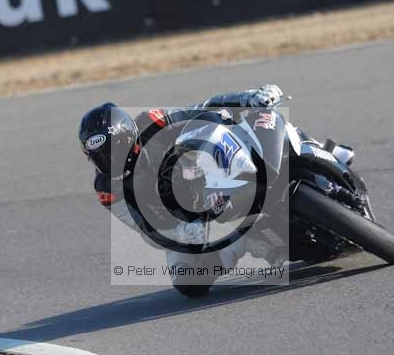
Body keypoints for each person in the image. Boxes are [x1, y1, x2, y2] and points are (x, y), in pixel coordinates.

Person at [78, 85, 352, 295]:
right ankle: (265, 242)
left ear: (129, 135)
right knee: (187, 282)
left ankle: (319, 151)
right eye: (99, 157)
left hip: (209, 168)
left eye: (113, 149)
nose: (108, 161)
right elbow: (146, 229)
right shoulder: (108, 189)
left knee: (253, 121)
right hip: (186, 218)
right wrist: (186, 230)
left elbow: (200, 108)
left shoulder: (151, 121)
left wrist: (247, 97)